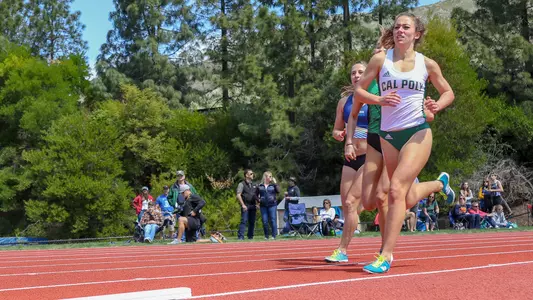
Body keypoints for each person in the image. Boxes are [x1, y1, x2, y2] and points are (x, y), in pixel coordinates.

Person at [354, 12, 455, 273]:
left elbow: (448, 92)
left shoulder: (427, 64)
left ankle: (385, 255)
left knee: (395, 190)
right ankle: (438, 184)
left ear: (416, 33)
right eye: (397, 26)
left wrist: (437, 106)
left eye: (406, 27)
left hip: (417, 132)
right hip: (388, 135)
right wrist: (379, 101)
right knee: (407, 197)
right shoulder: (380, 60)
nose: (400, 30)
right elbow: (359, 90)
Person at [326, 61, 378, 262]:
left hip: (369, 156)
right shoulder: (344, 102)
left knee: (351, 203)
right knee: (348, 206)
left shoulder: (374, 99)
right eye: (353, 73)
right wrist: (339, 134)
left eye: (361, 72)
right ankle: (375, 204)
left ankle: (342, 250)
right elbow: (336, 129)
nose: (356, 75)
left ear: (369, 74)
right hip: (350, 158)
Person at [236, 169, 259, 240]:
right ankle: (241, 236)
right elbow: (238, 195)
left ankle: (250, 236)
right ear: (246, 175)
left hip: (253, 205)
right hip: (245, 205)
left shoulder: (254, 184)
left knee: (252, 222)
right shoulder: (241, 184)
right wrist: (243, 205)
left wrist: (258, 204)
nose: (253, 175)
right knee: (244, 221)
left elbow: (257, 195)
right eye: (251, 174)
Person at [258, 171, 280, 239]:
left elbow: (278, 191)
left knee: (273, 220)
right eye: (270, 176)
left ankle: (274, 235)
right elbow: (255, 195)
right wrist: (258, 200)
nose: (271, 177)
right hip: (263, 206)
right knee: (265, 221)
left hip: (272, 205)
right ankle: (266, 236)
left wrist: (275, 183)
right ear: (265, 177)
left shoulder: (273, 185)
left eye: (271, 176)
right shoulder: (260, 186)